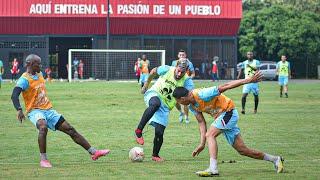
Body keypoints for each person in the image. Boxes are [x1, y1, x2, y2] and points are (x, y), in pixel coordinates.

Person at [172, 71, 284, 177]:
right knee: (242, 150)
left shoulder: (201, 94)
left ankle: (213, 169)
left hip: (228, 112)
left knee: (210, 135)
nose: (180, 104)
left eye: (178, 102)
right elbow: (201, 122)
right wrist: (202, 144)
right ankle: (275, 159)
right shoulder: (192, 106)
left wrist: (248, 80)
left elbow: (226, 85)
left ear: (182, 99)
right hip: (222, 118)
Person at [11, 54, 110, 168]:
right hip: (35, 111)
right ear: (30, 64)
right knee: (43, 127)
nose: (41, 65)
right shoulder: (24, 80)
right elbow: (14, 95)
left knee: (71, 130)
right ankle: (44, 160)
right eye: (38, 63)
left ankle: (94, 152)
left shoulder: (40, 74)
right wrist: (19, 109)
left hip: (49, 110)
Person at [134, 59, 194, 162]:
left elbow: (190, 96)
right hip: (154, 94)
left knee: (159, 132)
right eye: (178, 70)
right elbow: (153, 71)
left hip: (166, 106)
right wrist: (146, 85)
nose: (179, 74)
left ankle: (155, 155)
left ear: (186, 71)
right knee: (155, 104)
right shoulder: (166, 69)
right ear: (176, 66)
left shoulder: (187, 81)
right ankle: (139, 131)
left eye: (182, 72)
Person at [171, 49, 195, 124]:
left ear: (185, 55)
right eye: (180, 55)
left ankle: (186, 117)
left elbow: (193, 73)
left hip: (186, 83)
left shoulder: (189, 63)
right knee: (175, 100)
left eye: (183, 55)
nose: (181, 56)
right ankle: (181, 112)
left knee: (186, 101)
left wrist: (188, 78)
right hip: (177, 82)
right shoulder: (174, 63)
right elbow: (172, 72)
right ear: (178, 56)